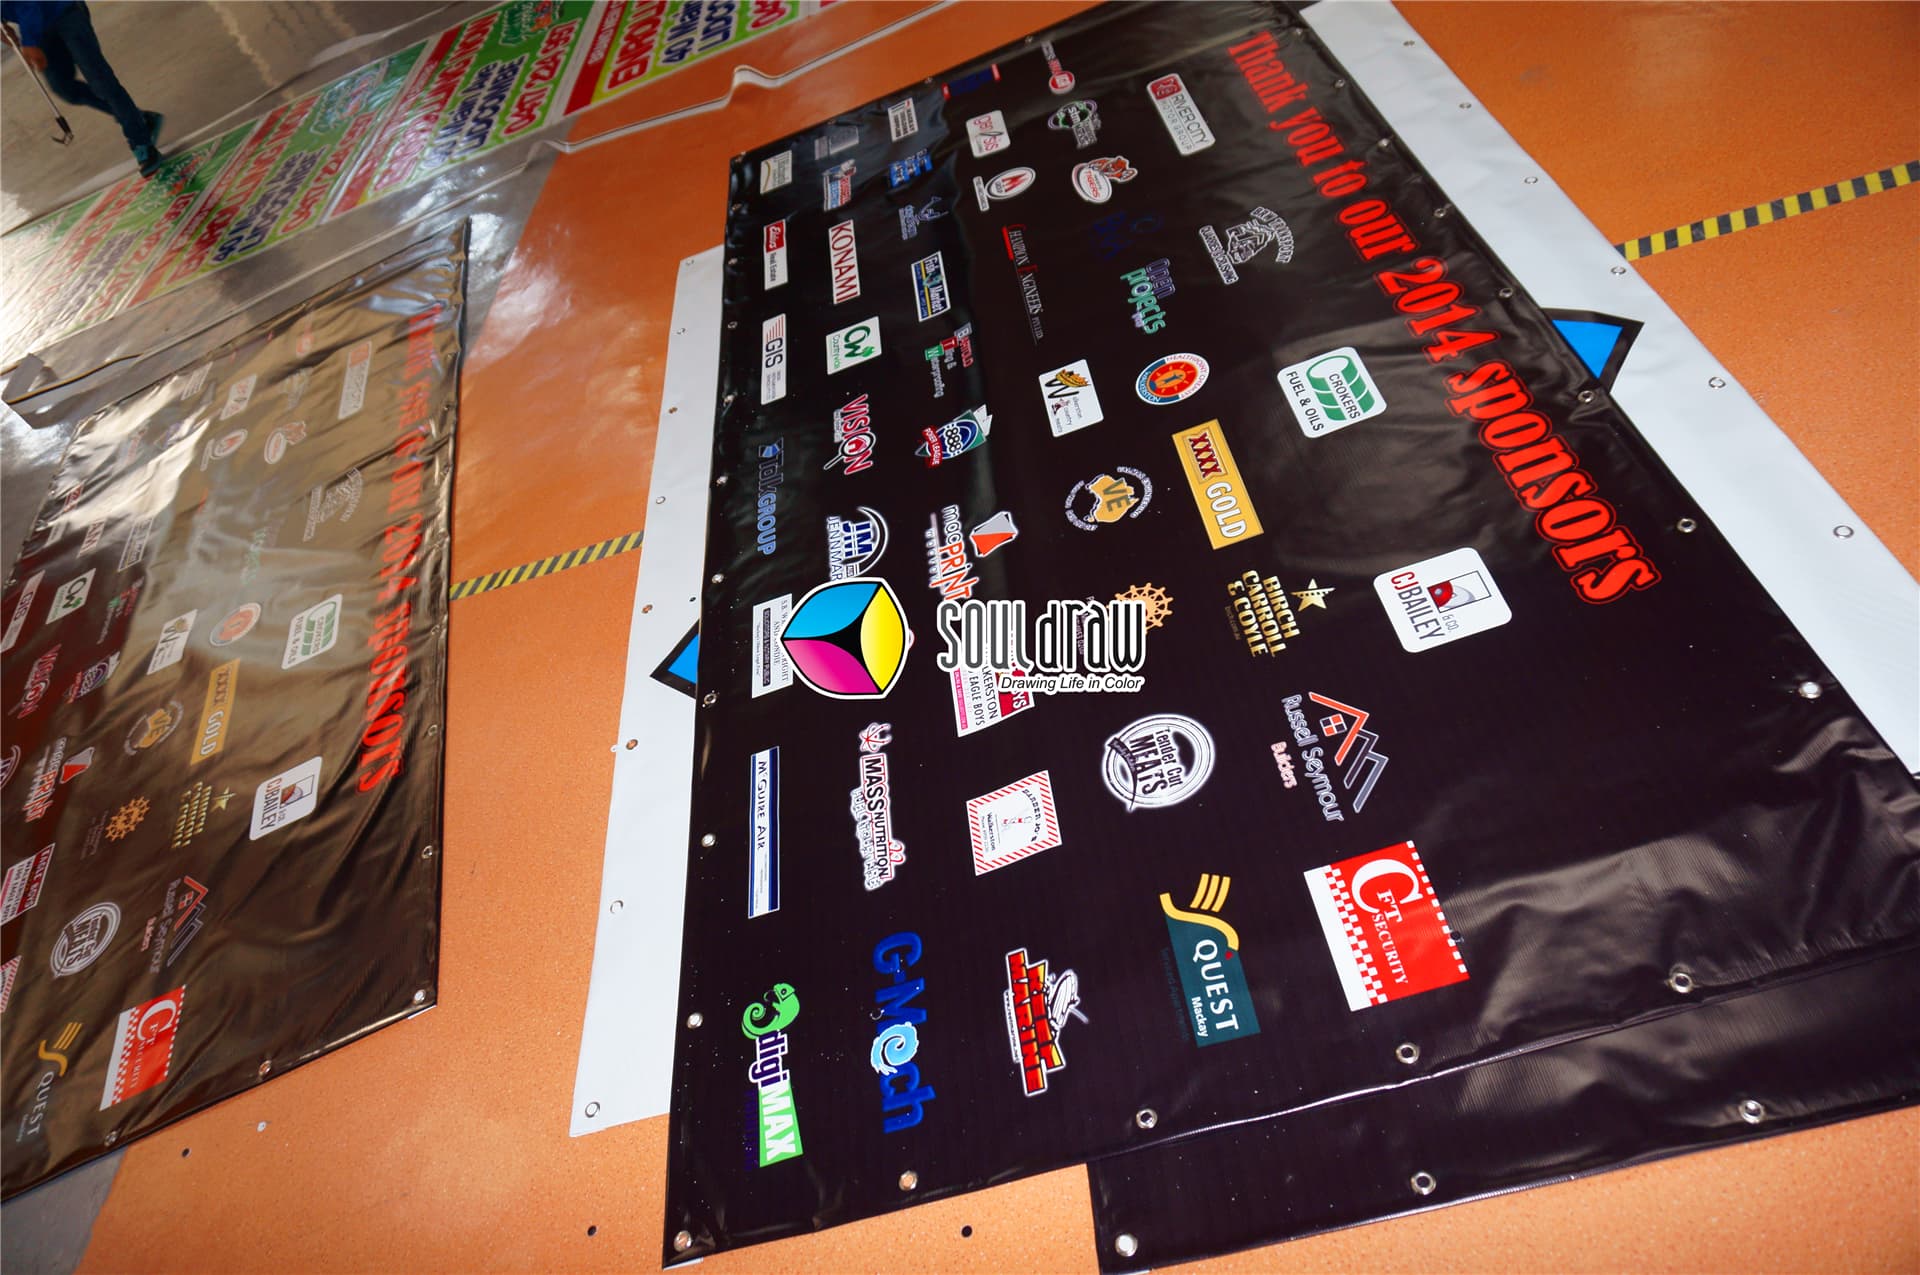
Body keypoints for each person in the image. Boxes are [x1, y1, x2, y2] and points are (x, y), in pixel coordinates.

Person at [2, 0, 162, 176]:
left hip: (65, 11)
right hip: (40, 25)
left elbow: (27, 4)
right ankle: (139, 119)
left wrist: (30, 41)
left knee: (101, 81)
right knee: (64, 88)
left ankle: (141, 142)